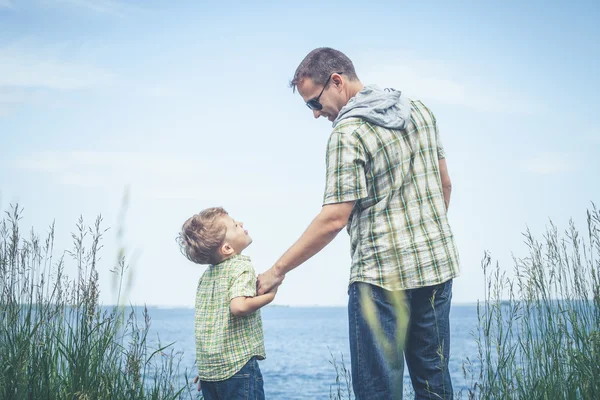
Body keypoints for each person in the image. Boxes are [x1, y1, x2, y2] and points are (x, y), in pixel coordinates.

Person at [256, 47, 460, 399]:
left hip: (380, 280)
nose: (316, 115)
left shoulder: (347, 133)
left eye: (314, 103)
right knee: (434, 382)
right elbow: (445, 184)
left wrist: (277, 270)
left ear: (337, 81)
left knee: (377, 389)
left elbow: (334, 219)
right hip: (437, 269)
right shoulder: (419, 111)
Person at [178, 207, 275, 400]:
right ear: (227, 248)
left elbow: (210, 326)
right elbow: (238, 307)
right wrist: (270, 296)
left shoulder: (206, 277)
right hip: (238, 368)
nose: (240, 223)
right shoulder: (241, 266)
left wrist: (209, 371)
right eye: (234, 225)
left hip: (210, 372)